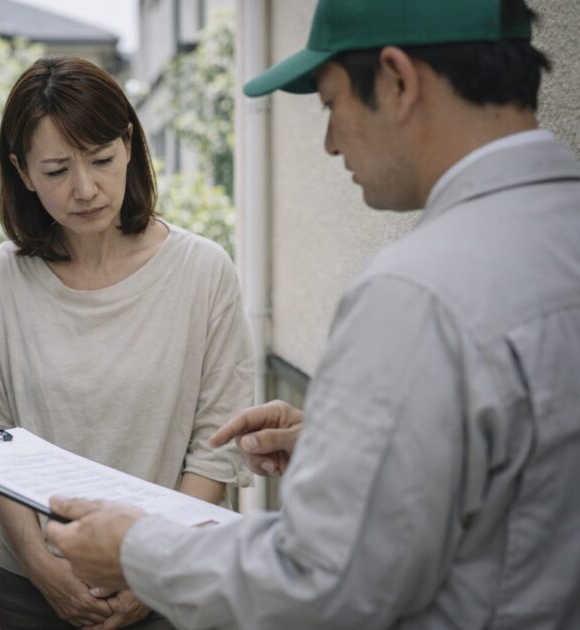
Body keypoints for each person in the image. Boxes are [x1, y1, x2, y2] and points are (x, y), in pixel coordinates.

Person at [44, 0, 580, 628]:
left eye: (330, 104)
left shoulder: (417, 292)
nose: (329, 142)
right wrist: (349, 451)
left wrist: (137, 549)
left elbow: (321, 580)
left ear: (397, 80)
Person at [0, 56, 254, 629]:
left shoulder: (202, 270)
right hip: (30, 590)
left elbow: (217, 446)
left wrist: (150, 568)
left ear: (129, 146)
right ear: (22, 171)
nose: (85, 189)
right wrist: (44, 571)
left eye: (101, 159)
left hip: (170, 581)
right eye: (56, 170)